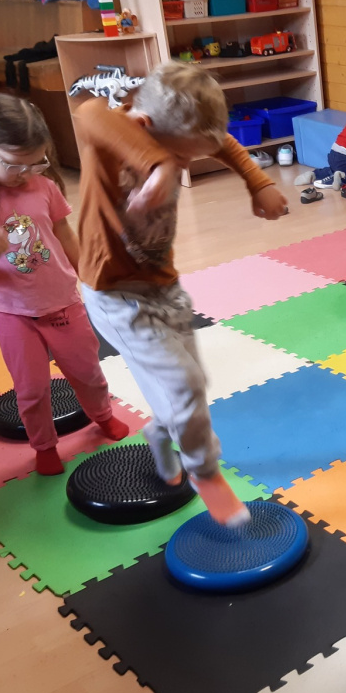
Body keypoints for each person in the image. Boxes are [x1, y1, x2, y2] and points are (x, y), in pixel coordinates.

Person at [71, 61, 288, 528]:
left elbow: (220, 141)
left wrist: (259, 182)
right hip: (116, 298)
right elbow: (88, 112)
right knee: (185, 386)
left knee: (193, 382)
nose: (184, 166)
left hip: (164, 288)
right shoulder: (105, 141)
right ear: (143, 125)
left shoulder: (176, 132)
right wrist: (160, 164)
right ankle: (204, 473)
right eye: (181, 158)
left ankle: (160, 431)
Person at [0, 93, 129, 475]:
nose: (25, 173)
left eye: (36, 162)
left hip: (63, 302)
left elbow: (65, 234)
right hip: (13, 313)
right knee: (31, 389)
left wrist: (90, 274)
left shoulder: (43, 187)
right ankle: (44, 446)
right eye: (14, 164)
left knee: (88, 371)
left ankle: (103, 415)